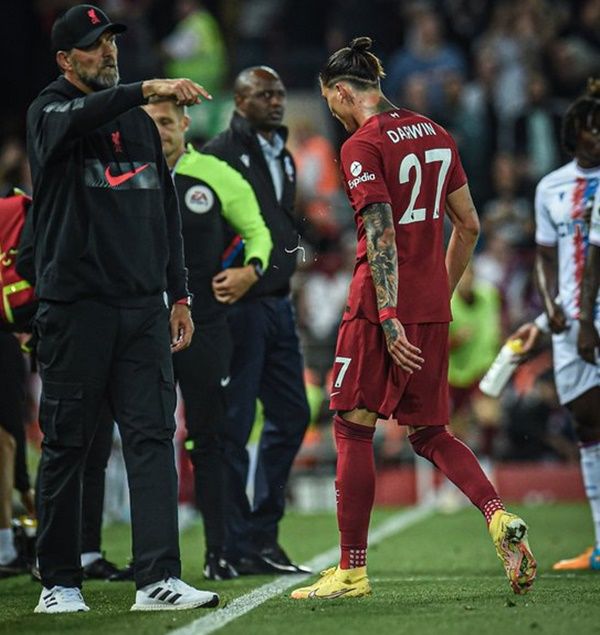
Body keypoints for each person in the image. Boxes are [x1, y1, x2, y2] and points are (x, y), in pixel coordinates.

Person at [291, 37, 536, 600]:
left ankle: (351, 570)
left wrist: (389, 314)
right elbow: (468, 225)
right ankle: (497, 515)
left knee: (352, 426)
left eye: (329, 101)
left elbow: (378, 230)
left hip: (380, 308)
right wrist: (437, 295)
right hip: (429, 304)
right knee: (430, 431)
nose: (332, 112)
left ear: (341, 91)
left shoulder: (362, 144)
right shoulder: (436, 132)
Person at [24, 4, 218, 613]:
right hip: (75, 308)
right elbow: (80, 117)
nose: (108, 51)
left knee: (153, 439)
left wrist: (179, 294)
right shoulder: (50, 110)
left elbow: (164, 214)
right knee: (67, 444)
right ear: (65, 59)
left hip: (141, 310)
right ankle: (59, 582)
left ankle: (158, 578)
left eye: (111, 40)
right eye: (94, 44)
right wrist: (144, 89)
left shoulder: (137, 125)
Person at [143, 99, 273, 579]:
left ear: (184, 124)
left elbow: (258, 231)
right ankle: (149, 558)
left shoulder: (216, 175)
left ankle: (219, 552)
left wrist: (250, 270)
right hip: (141, 327)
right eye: (150, 123)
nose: (159, 131)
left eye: (166, 122)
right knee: (146, 439)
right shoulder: (128, 175)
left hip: (206, 324)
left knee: (209, 438)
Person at [202, 66, 311, 574]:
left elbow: (282, 224)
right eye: (264, 94)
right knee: (235, 424)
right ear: (239, 100)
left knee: (292, 415)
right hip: (239, 308)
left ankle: (262, 534)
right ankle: (235, 540)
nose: (276, 101)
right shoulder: (218, 155)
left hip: (278, 304)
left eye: (280, 93)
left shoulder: (283, 155)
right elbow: (208, 231)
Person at [510, 79, 600, 572]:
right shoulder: (551, 187)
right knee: (586, 423)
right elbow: (545, 257)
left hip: (593, 316)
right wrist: (550, 308)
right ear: (572, 134)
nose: (598, 136)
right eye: (591, 128)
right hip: (570, 319)